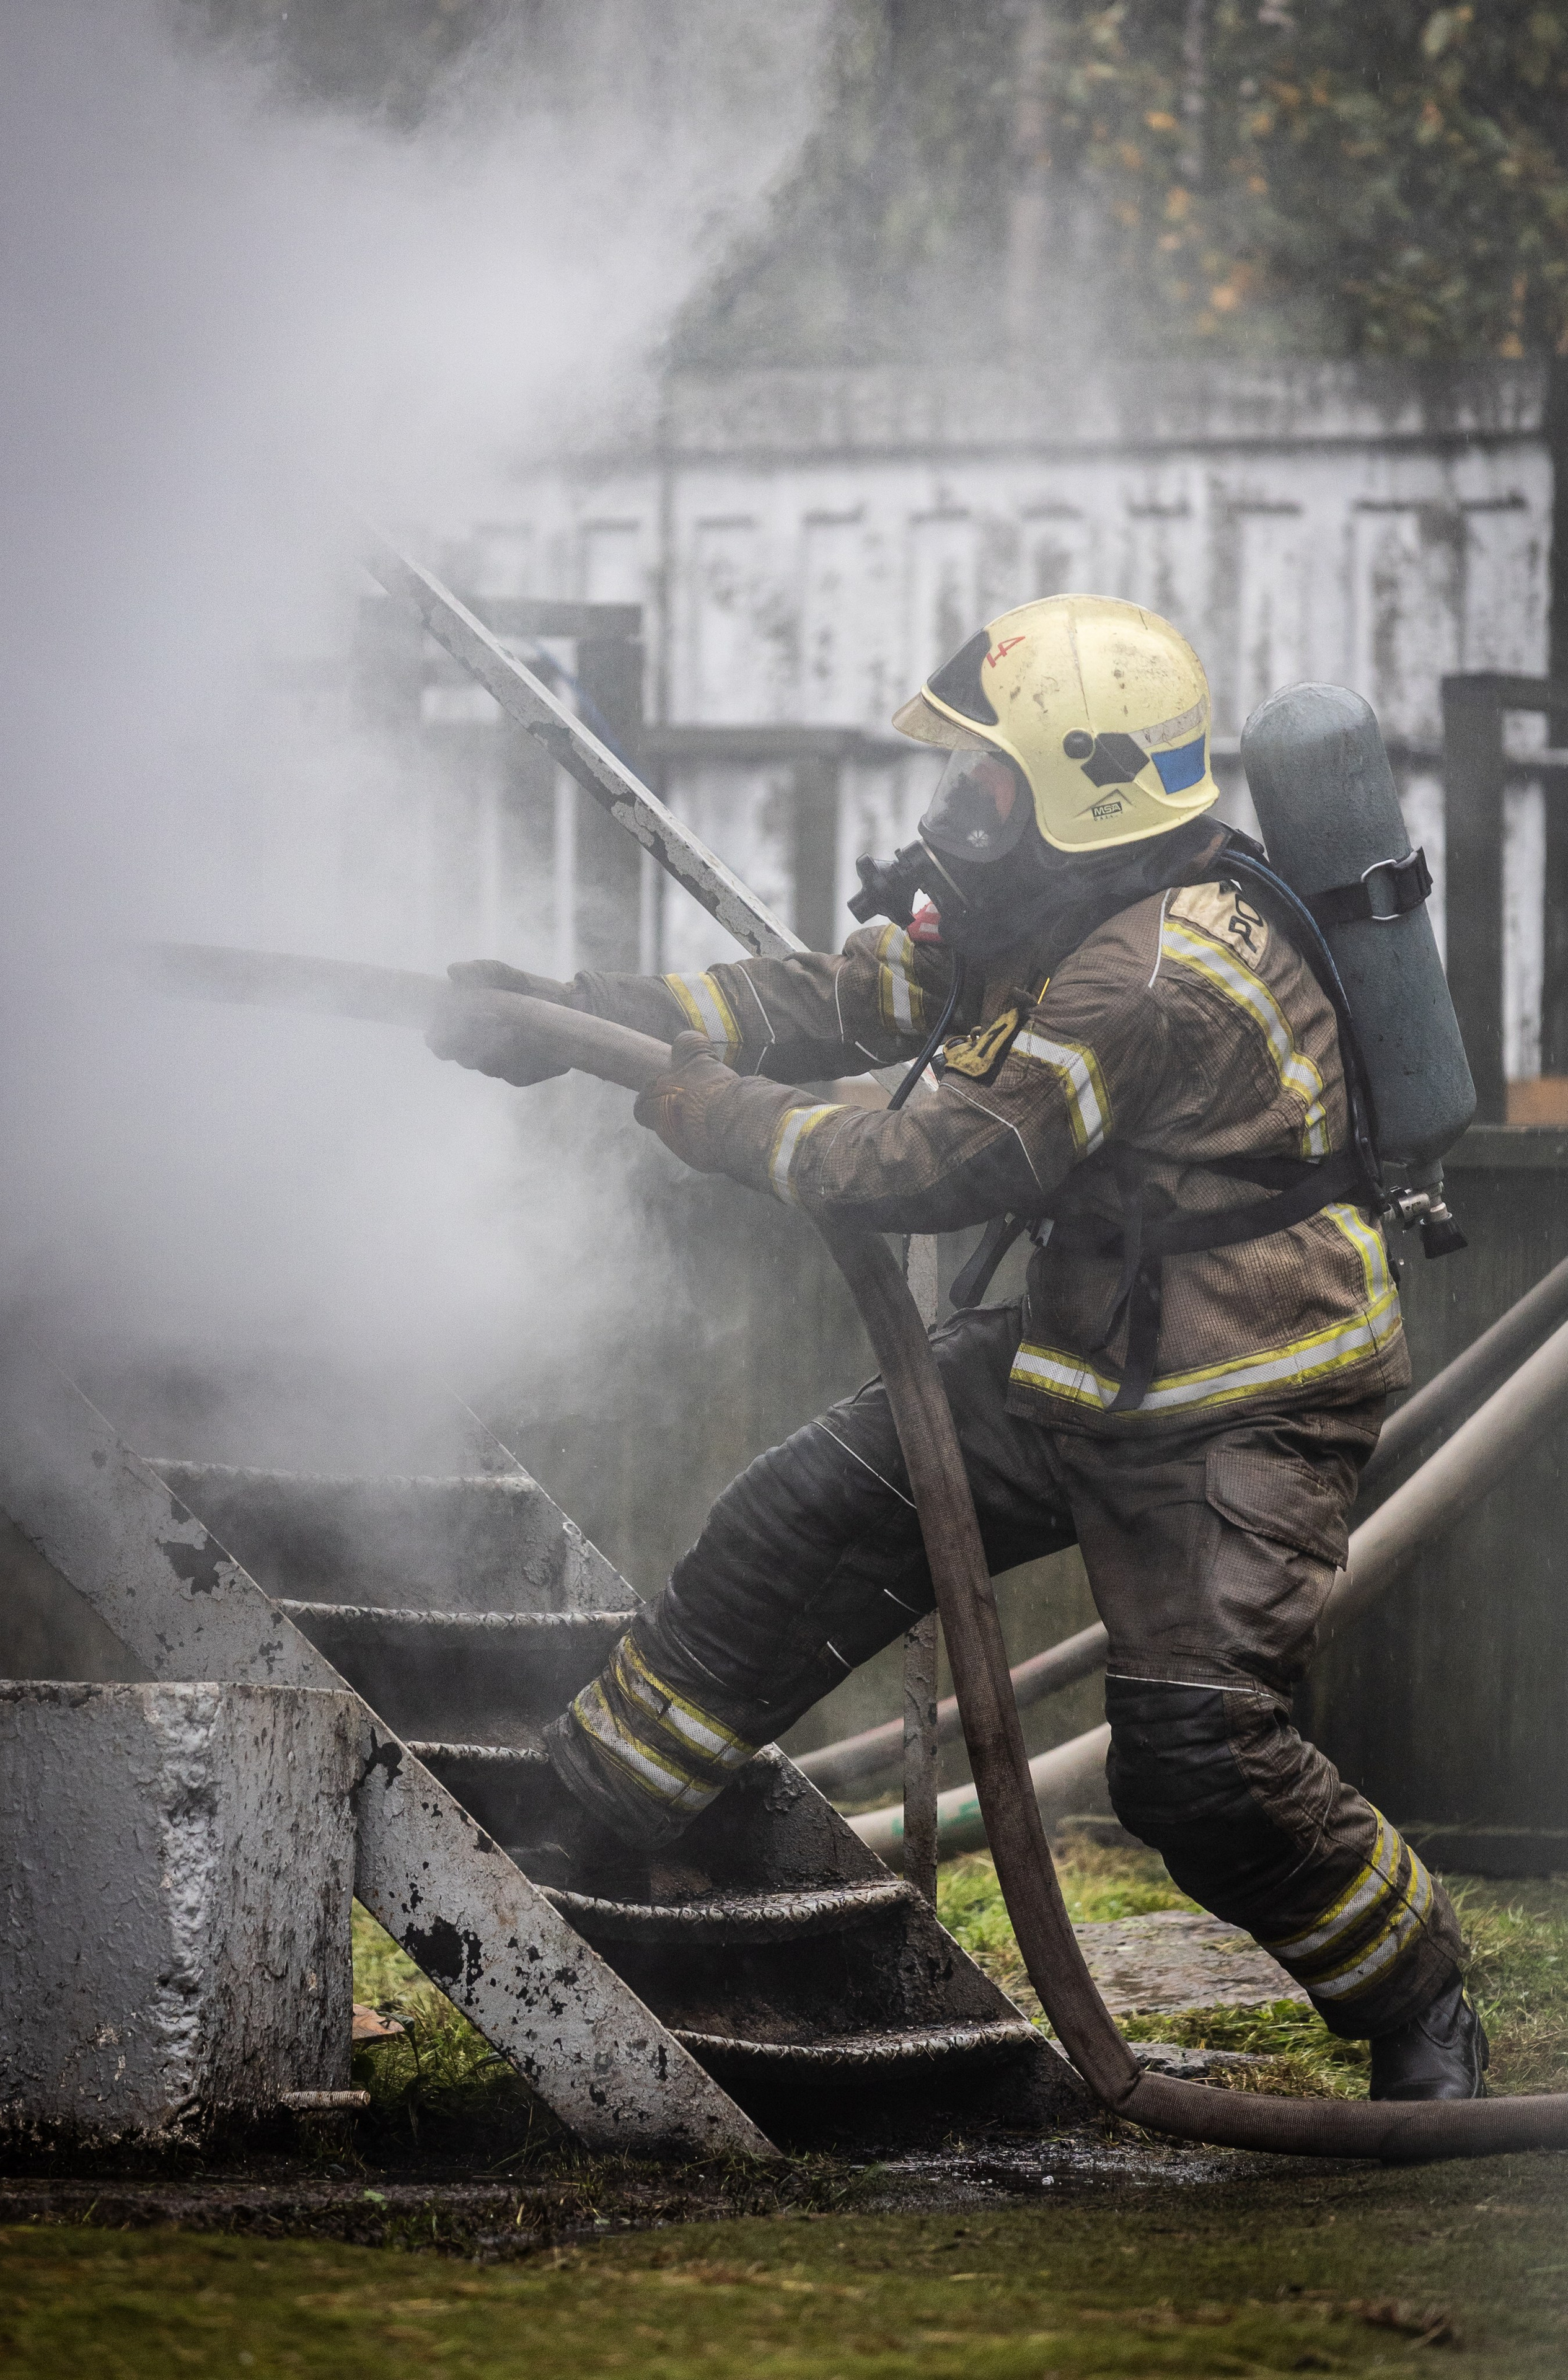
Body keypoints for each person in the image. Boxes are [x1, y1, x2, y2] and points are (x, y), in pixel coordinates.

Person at [429, 593, 1485, 2103]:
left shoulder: (1152, 976)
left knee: (1195, 1765)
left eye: (984, 786)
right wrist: (579, 1014)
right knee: (800, 1518)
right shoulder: (1050, 913)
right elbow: (827, 996)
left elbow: (931, 1163)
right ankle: (584, 1829)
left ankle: (1417, 1997)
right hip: (1087, 1355)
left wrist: (718, 1122)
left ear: (1078, 795)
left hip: (1244, 1396)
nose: (954, 815)